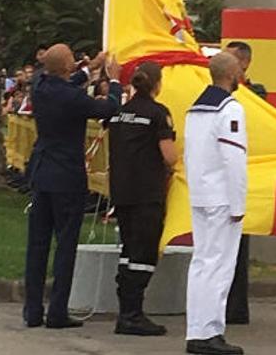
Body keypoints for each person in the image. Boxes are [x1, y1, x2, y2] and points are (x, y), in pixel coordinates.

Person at [23, 45, 121, 330]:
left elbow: (64, 79)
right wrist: (113, 80)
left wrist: (88, 69)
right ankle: (57, 311)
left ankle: (32, 311)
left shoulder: (39, 85)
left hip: (42, 174)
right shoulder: (72, 98)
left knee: (37, 245)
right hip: (67, 177)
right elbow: (108, 107)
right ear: (67, 67)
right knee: (65, 245)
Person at [184, 52, 247, 355]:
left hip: (200, 193)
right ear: (232, 73)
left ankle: (197, 329)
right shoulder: (230, 109)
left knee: (200, 264)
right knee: (219, 267)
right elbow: (233, 160)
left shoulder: (195, 109)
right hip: (222, 198)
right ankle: (210, 331)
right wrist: (238, 204)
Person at [109, 62, 177, 336]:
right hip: (147, 193)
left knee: (128, 251)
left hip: (122, 192)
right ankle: (132, 315)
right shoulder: (159, 114)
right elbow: (169, 155)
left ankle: (126, 311)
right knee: (144, 254)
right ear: (158, 84)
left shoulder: (120, 113)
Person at [224, 41, 267, 326]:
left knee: (238, 244)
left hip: (242, 172)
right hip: (219, 176)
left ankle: (236, 308)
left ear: (244, 64)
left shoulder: (255, 94)